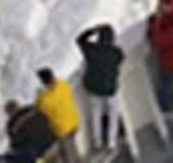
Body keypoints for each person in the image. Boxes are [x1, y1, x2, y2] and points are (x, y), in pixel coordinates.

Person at [76, 23, 125, 151]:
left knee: (96, 115)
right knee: (113, 116)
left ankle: (97, 142)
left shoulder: (91, 50)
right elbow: (121, 58)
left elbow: (80, 40)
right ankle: (111, 142)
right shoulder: (115, 53)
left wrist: (92, 30)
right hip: (110, 90)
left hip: (94, 89)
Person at [35, 68, 81, 163]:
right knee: (74, 151)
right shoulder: (62, 84)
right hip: (73, 121)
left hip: (62, 129)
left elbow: (41, 110)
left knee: (69, 156)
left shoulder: (45, 99)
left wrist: (38, 95)